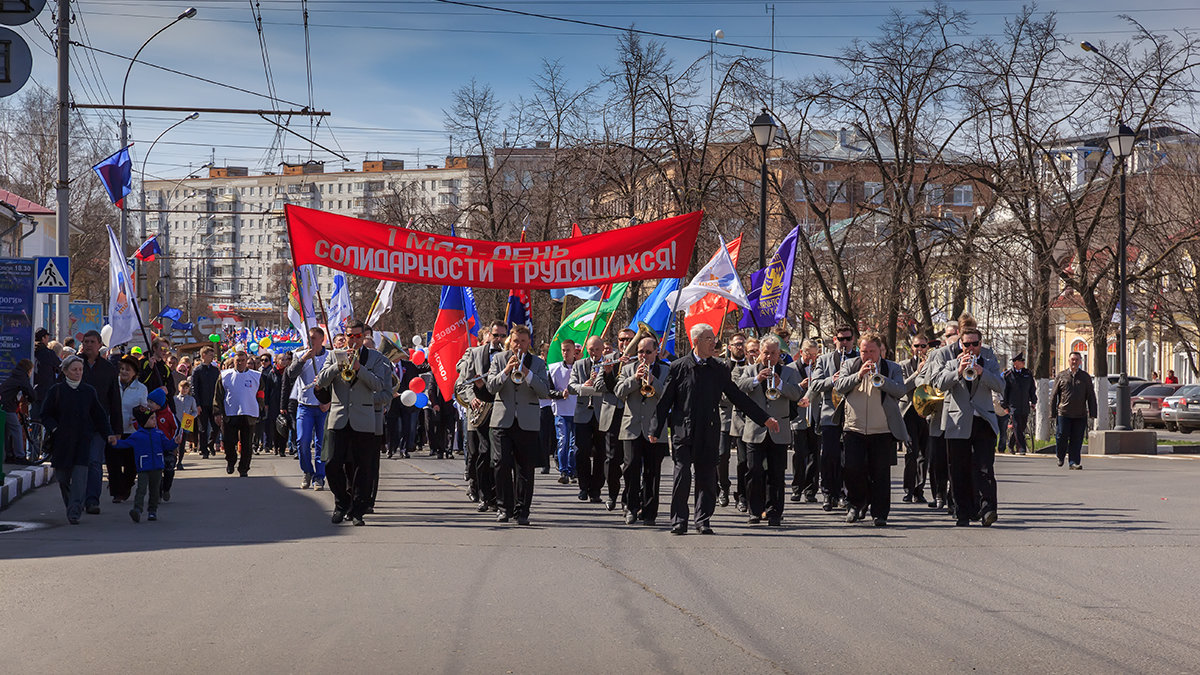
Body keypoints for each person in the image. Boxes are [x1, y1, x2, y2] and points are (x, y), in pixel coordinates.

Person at [651, 324, 778, 535]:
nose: (714, 343)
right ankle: (679, 521)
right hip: (684, 430)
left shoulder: (719, 369)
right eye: (709, 339)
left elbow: (737, 397)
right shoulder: (679, 367)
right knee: (682, 475)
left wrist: (764, 419)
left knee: (707, 478)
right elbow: (665, 401)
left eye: (714, 338)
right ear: (697, 342)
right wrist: (655, 428)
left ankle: (703, 520)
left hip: (709, 430)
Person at [317, 318, 392, 525]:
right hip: (339, 418)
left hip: (364, 419)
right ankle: (341, 503)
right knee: (332, 464)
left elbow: (379, 386)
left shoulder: (376, 358)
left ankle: (357, 511)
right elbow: (321, 381)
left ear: (364, 336)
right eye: (350, 336)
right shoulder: (333, 355)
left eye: (357, 336)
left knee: (363, 467)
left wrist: (360, 368)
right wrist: (338, 365)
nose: (353, 340)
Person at [931, 324, 1004, 527]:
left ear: (980, 344)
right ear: (960, 344)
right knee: (958, 470)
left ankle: (988, 509)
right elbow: (939, 383)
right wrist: (959, 370)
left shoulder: (989, 362)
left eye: (975, 344)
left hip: (983, 421)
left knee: (984, 468)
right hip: (958, 422)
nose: (970, 348)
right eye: (966, 344)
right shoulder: (951, 363)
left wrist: (982, 372)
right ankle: (963, 512)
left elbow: (1001, 385)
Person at [834, 334, 909, 526]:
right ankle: (855, 506)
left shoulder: (892, 367)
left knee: (880, 473)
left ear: (880, 350)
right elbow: (839, 386)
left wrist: (881, 379)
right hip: (854, 427)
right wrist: (858, 375)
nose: (867, 355)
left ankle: (880, 513)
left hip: (882, 429)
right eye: (864, 351)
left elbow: (900, 390)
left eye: (871, 351)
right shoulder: (850, 365)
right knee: (853, 470)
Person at [40, 355, 117, 524]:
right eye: (74, 369)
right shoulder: (57, 391)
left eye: (80, 369)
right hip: (62, 442)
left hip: (83, 441)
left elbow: (99, 416)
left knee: (80, 479)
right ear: (65, 371)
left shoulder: (88, 391)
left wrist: (108, 434)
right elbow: (45, 414)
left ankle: (74, 511)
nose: (78, 373)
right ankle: (72, 504)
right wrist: (55, 428)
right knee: (62, 479)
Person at [485, 325, 550, 525]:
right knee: (501, 463)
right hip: (502, 420)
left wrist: (527, 373)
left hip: (527, 421)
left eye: (523, 341)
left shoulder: (537, 363)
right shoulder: (498, 359)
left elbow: (545, 391)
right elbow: (490, 386)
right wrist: (506, 371)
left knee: (525, 469)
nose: (519, 345)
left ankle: (522, 511)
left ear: (528, 342)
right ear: (509, 342)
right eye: (515, 341)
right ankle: (504, 508)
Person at [736, 334, 803, 526]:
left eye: (773, 353)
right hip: (755, 429)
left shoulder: (788, 372)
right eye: (766, 352)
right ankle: (754, 511)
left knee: (776, 474)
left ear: (779, 354)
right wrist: (756, 380)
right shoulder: (749, 370)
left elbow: (797, 393)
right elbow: (738, 388)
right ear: (760, 353)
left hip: (778, 430)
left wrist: (780, 383)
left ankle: (775, 512)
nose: (769, 357)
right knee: (754, 471)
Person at [612, 336, 670, 525]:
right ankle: (631, 506)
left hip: (655, 427)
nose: (643, 355)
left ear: (656, 352)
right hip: (632, 426)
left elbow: (668, 396)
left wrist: (653, 381)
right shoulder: (628, 368)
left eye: (647, 352)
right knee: (630, 467)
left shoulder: (666, 370)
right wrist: (635, 379)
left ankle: (649, 511)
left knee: (653, 471)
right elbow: (618, 392)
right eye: (639, 352)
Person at [809, 325, 858, 512]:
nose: (844, 342)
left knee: (848, 457)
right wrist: (833, 380)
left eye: (847, 338)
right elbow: (815, 384)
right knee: (829, 455)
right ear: (834, 339)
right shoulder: (824, 359)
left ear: (853, 339)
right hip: (830, 412)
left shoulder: (858, 358)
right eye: (841, 339)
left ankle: (845, 494)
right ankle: (828, 493)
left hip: (852, 412)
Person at [456, 321, 505, 510]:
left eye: (502, 335)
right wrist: (471, 398)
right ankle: (483, 494)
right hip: (481, 410)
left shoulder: (508, 355)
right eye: (496, 335)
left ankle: (498, 496)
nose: (499, 339)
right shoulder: (475, 353)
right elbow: (464, 381)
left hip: (502, 409)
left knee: (499, 456)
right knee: (484, 453)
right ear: (489, 335)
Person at [79, 330, 122, 513]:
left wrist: (117, 428)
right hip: (76, 424)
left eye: (92, 342)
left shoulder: (108, 369)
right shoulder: (74, 364)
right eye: (85, 341)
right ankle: (76, 499)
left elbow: (115, 400)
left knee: (95, 462)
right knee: (77, 464)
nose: (88, 345)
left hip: (99, 425)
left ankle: (92, 500)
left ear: (99, 345)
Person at [921, 322, 960, 511]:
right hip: (938, 412)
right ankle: (939, 494)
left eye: (953, 334)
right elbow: (923, 378)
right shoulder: (936, 355)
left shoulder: (967, 355)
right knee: (937, 460)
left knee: (956, 459)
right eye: (947, 335)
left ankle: (954, 497)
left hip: (958, 415)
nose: (950, 338)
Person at [113, 407, 176, 523]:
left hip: (157, 467)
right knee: (141, 489)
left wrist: (175, 442)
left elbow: (167, 445)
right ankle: (137, 509)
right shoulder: (137, 436)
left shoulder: (159, 433)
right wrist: (115, 443)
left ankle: (152, 510)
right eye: (152, 418)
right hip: (143, 467)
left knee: (155, 490)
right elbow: (125, 444)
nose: (154, 420)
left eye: (154, 418)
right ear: (144, 421)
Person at [568, 335, 610, 504]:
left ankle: (596, 489)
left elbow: (610, 387)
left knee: (601, 453)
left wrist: (597, 385)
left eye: (597, 350)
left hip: (601, 413)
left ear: (603, 350)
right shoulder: (579, 365)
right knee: (581, 451)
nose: (594, 353)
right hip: (583, 414)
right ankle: (583, 486)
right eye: (591, 350)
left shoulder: (608, 364)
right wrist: (584, 387)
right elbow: (571, 387)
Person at [287, 327, 331, 489]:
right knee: (303, 441)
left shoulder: (329, 356)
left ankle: (319, 476)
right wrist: (303, 359)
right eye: (308, 338)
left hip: (323, 407)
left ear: (321, 339)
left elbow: (336, 381)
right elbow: (291, 374)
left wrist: (329, 401)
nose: (310, 341)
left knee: (321, 444)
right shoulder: (299, 355)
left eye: (313, 338)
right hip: (305, 406)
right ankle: (307, 471)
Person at [213, 351, 264, 477]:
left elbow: (260, 393)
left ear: (247, 361)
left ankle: (244, 468)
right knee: (228, 441)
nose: (240, 362)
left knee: (247, 443)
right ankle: (231, 461)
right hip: (230, 413)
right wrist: (217, 412)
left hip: (249, 413)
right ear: (233, 361)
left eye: (242, 360)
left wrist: (260, 406)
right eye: (238, 360)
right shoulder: (225, 375)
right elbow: (218, 395)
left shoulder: (256, 376)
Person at [109, 356, 148, 502]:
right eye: (122, 369)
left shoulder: (141, 388)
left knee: (131, 464)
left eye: (128, 369)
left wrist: (140, 414)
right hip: (115, 430)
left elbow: (144, 408)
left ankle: (126, 486)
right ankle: (116, 492)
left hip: (132, 431)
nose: (124, 372)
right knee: (114, 462)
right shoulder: (113, 385)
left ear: (135, 373)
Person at [1050, 351, 1096, 470]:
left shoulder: (1085, 377)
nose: (1074, 362)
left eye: (1076, 360)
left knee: (1077, 439)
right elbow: (1054, 395)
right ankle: (1060, 455)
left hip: (1080, 414)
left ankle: (1073, 462)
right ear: (1069, 361)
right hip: (1063, 413)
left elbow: (1091, 395)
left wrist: (1093, 412)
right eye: (1072, 359)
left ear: (1080, 362)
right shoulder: (1061, 376)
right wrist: (1052, 412)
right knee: (1061, 436)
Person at [718, 332, 748, 507]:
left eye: (742, 344)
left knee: (743, 460)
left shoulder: (752, 366)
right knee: (721, 455)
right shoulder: (722, 367)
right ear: (729, 347)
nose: (740, 347)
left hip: (743, 419)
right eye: (737, 344)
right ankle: (724, 487)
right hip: (724, 417)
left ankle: (742, 494)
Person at [730, 337, 760, 512]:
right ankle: (742, 496)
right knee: (743, 463)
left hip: (759, 424)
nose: (754, 354)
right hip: (742, 422)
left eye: (757, 351)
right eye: (751, 351)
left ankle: (757, 498)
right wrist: (756, 378)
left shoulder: (768, 370)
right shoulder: (738, 370)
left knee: (757, 465)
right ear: (746, 353)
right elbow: (737, 389)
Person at [789, 339, 821, 503]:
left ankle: (811, 490)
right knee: (799, 454)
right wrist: (800, 387)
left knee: (814, 455)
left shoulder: (819, 368)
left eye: (815, 354)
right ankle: (797, 488)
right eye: (808, 354)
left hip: (814, 416)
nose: (812, 358)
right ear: (801, 352)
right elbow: (786, 392)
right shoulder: (791, 369)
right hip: (798, 417)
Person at [547, 338, 577, 484]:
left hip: (577, 410)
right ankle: (563, 470)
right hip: (561, 410)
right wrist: (560, 394)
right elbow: (548, 390)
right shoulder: (554, 369)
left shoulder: (580, 367)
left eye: (568, 350)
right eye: (563, 350)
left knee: (573, 443)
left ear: (574, 351)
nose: (565, 353)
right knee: (563, 441)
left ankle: (572, 470)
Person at [0, 359, 35, 463]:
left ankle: (9, 455)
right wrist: (33, 398)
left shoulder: (15, 375)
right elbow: (28, 390)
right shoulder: (22, 377)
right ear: (28, 369)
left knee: (6, 431)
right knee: (16, 429)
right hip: (7, 407)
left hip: (3, 405)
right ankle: (20, 456)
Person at [1002, 353, 1037, 455]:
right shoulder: (1008, 375)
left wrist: (1034, 401)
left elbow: (1031, 389)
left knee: (1021, 426)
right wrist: (1005, 405)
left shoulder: (1027, 374)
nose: (1023, 363)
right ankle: (1022, 448)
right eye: (1021, 361)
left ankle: (1011, 443)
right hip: (1013, 405)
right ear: (1015, 363)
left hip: (1024, 404)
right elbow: (1004, 391)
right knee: (1016, 426)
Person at [190, 346, 221, 458]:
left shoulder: (214, 370)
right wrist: (197, 404)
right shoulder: (197, 370)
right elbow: (194, 388)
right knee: (202, 428)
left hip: (213, 403)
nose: (212, 357)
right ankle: (204, 450)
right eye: (210, 355)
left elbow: (218, 387)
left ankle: (210, 443)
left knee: (216, 426)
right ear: (203, 355)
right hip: (202, 403)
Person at [32, 327, 61, 420]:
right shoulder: (48, 353)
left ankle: (34, 433)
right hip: (46, 390)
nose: (48, 339)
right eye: (47, 337)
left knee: (34, 419)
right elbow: (59, 367)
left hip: (31, 390)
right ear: (43, 338)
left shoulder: (31, 351)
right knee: (46, 418)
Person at [174, 379, 199, 468]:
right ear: (179, 388)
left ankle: (180, 461)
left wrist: (190, 417)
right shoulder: (175, 399)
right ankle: (174, 459)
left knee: (183, 443)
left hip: (186, 423)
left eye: (186, 388)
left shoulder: (191, 399)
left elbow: (195, 411)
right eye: (182, 388)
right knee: (175, 442)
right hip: (176, 423)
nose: (184, 390)